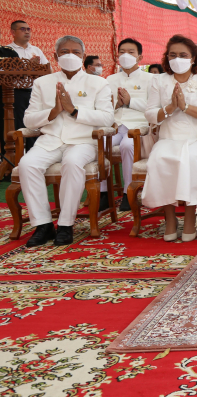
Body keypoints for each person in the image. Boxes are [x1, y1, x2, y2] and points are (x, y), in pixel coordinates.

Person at [19, 35, 114, 247]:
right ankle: (43, 225)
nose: (70, 56)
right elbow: (28, 119)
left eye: (75, 52)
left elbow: (107, 118)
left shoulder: (98, 82)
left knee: (72, 163)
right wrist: (53, 112)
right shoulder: (42, 82)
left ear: (83, 56)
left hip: (83, 141)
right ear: (55, 56)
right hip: (50, 140)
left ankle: (65, 224)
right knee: (27, 164)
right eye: (64, 52)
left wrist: (74, 110)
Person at [143, 35, 197, 242]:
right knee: (158, 158)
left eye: (183, 55)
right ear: (167, 57)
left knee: (190, 159)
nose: (178, 59)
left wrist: (185, 107)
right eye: (173, 55)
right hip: (169, 137)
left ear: (194, 57)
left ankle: (189, 216)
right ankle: (169, 218)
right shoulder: (158, 80)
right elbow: (150, 113)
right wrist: (170, 108)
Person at [100, 38, 154, 212]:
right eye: (122, 52)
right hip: (116, 125)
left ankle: (128, 193)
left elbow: (154, 107)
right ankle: (103, 193)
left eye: (131, 52)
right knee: (97, 144)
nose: (126, 56)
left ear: (140, 57)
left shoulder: (151, 79)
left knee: (127, 145)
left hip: (138, 127)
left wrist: (131, 102)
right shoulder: (110, 79)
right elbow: (103, 105)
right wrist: (115, 105)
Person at [6, 20, 51, 151]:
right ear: (13, 32)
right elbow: (5, 73)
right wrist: (27, 66)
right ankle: (15, 156)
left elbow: (48, 71)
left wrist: (37, 67)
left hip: (34, 93)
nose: (27, 32)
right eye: (23, 29)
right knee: (18, 125)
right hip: (14, 94)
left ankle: (34, 153)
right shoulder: (7, 51)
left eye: (28, 29)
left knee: (35, 124)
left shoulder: (36, 50)